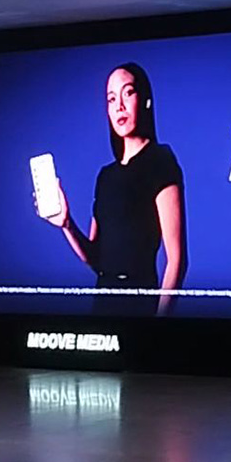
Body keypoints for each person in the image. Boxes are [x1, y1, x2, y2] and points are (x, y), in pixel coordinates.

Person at [38, 62, 187, 316]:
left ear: (145, 100)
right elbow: (96, 259)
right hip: (103, 302)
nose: (119, 105)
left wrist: (160, 327)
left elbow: (177, 261)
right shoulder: (106, 176)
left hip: (141, 303)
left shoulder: (161, 162)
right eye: (111, 99)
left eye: (128, 93)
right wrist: (66, 224)